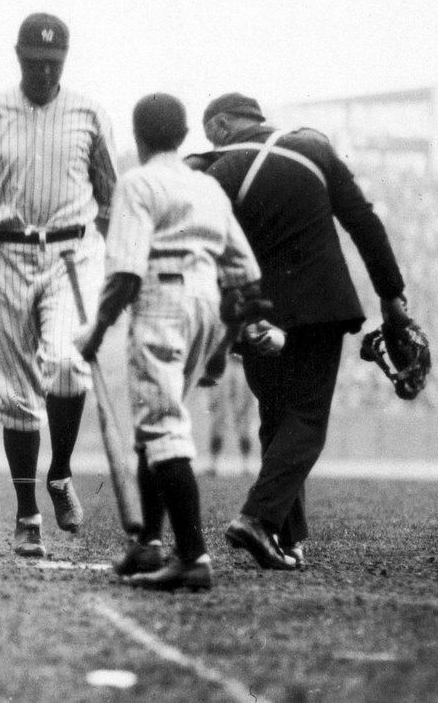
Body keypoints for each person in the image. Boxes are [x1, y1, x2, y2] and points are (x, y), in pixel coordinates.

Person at [195, 92, 409, 571]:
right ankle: (257, 517)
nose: (209, 140)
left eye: (211, 130)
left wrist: (227, 322)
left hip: (258, 310)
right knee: (306, 420)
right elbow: (362, 221)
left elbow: (203, 248)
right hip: (320, 304)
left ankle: (285, 539)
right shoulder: (312, 146)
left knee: (277, 418)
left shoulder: (218, 171)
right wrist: (391, 295)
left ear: (225, 124)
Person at [0, 12, 117, 558]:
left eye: (54, 64)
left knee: (67, 362)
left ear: (65, 61)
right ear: (18, 57)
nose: (44, 73)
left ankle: (59, 473)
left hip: (71, 250)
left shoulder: (88, 113)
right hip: (5, 249)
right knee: (17, 395)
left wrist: (110, 258)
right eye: (35, 62)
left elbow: (109, 195)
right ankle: (26, 514)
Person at [74, 93, 262, 590]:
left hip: (163, 299)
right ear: (183, 137)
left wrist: (95, 332)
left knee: (160, 427)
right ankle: (148, 544)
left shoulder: (137, 182)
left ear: (138, 139)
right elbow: (246, 276)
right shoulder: (207, 187)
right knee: (155, 421)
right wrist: (223, 345)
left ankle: (192, 556)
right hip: (208, 302)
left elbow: (126, 274)